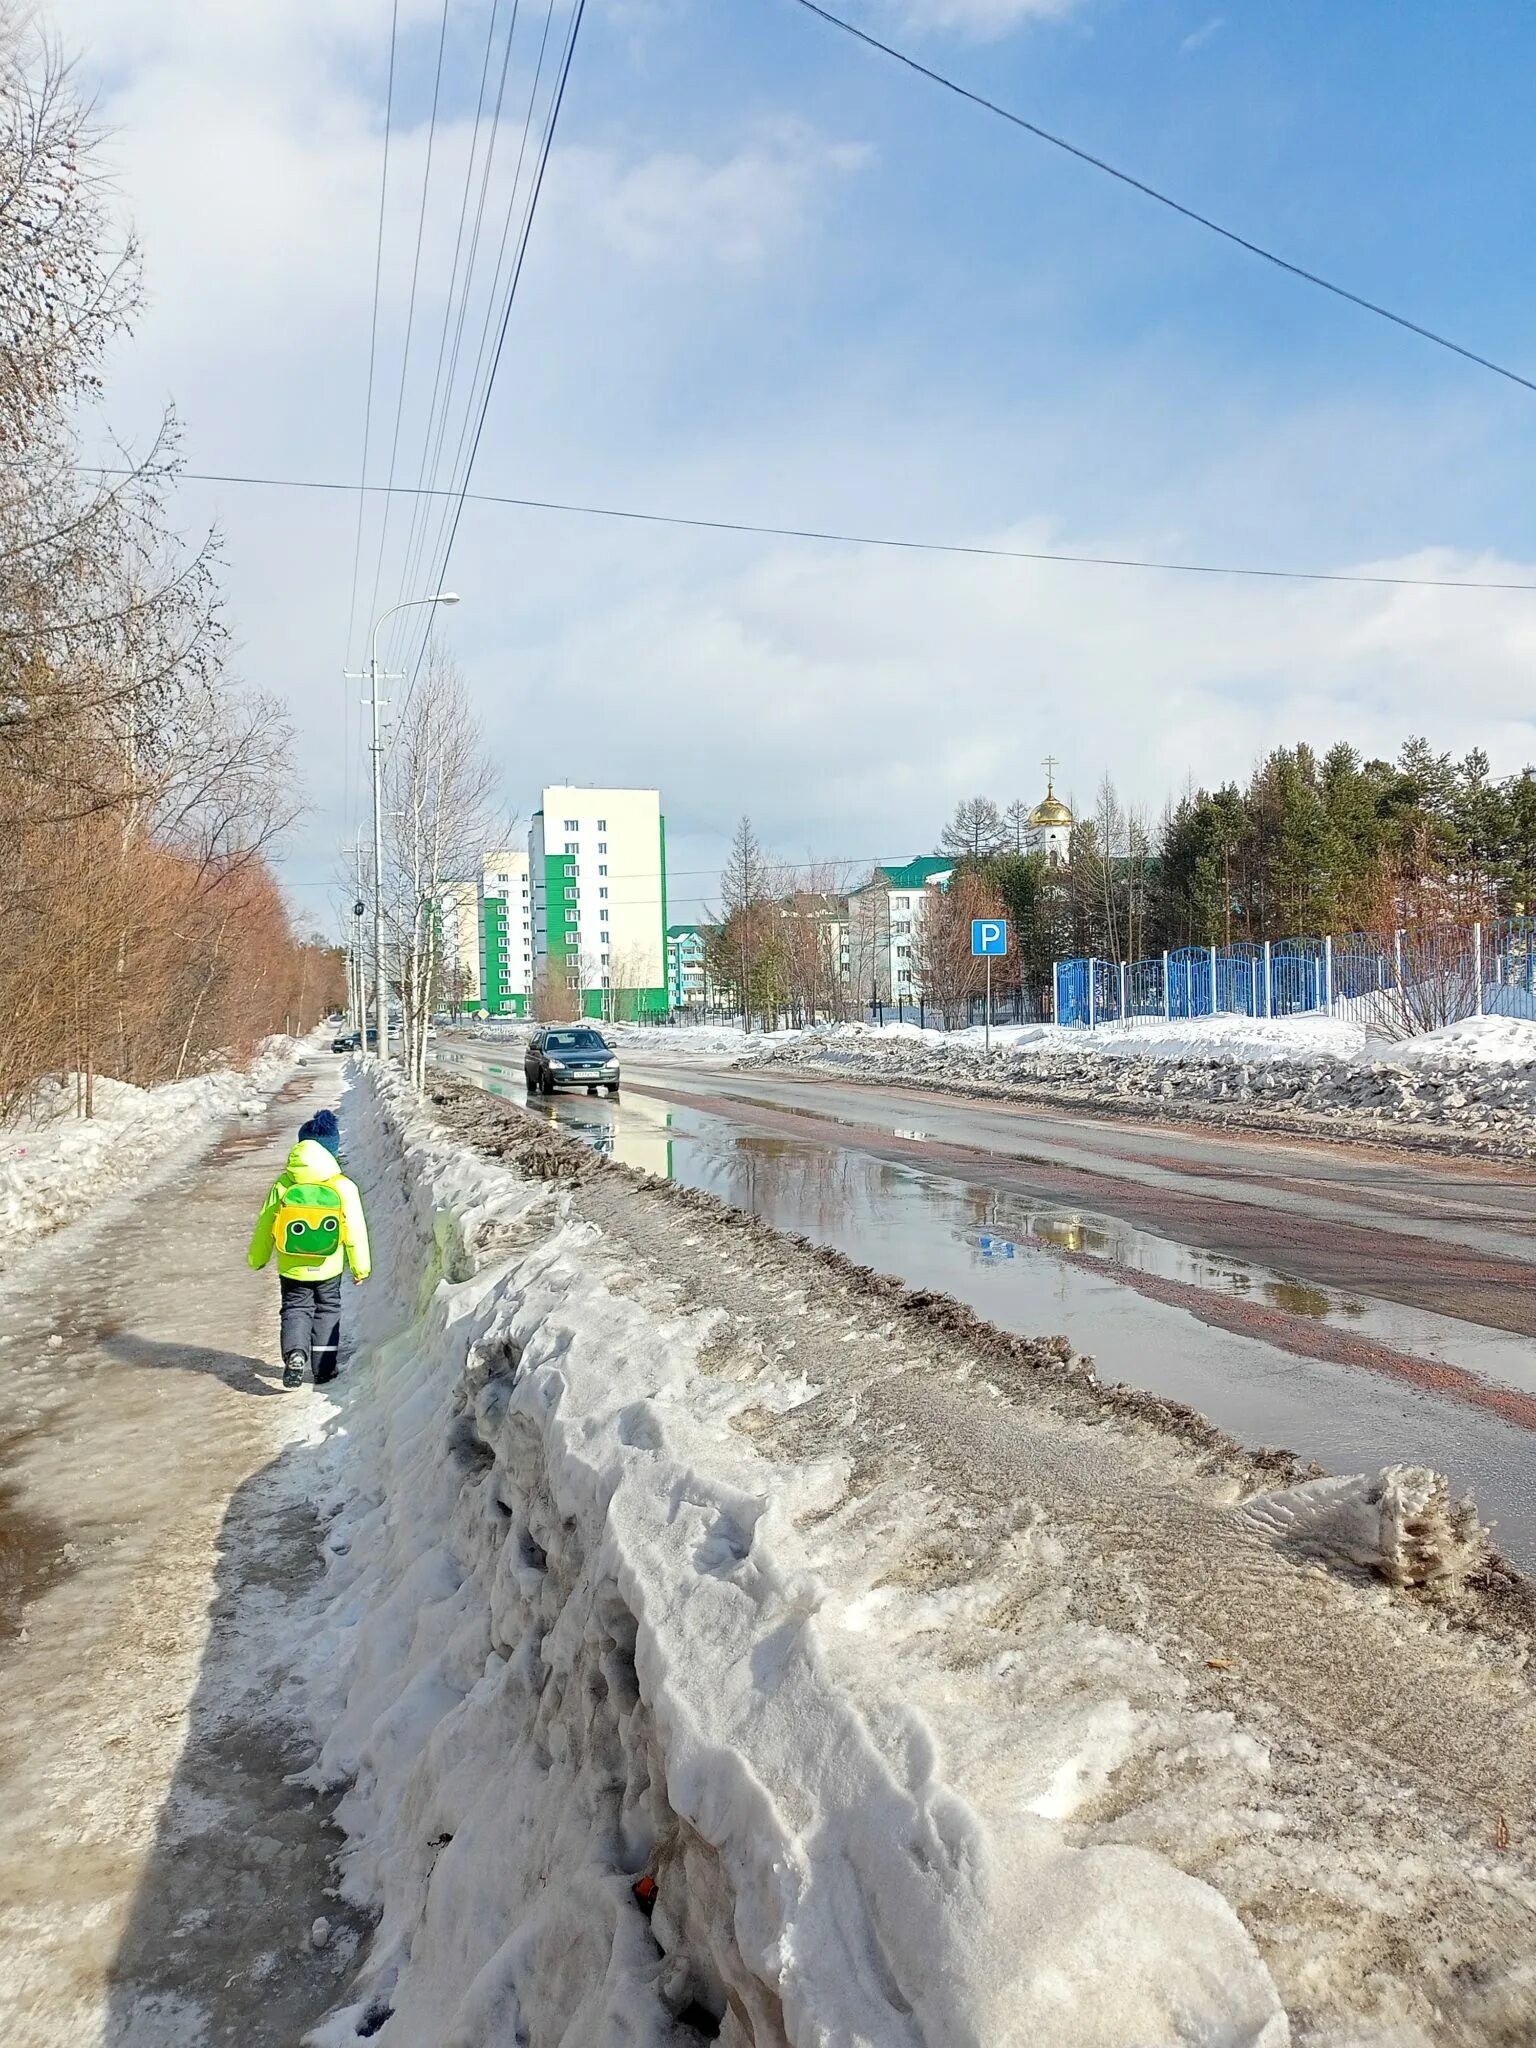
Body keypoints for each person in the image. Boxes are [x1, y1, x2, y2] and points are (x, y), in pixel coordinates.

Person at [247, 1124, 370, 1388]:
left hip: (292, 1266)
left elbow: (266, 1222)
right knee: (327, 1310)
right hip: (329, 1265)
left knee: (295, 1308)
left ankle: (295, 1354)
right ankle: (324, 1370)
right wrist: (360, 1268)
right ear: (332, 1151)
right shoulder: (343, 1186)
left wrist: (258, 1257)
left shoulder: (284, 1184)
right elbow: (356, 1229)